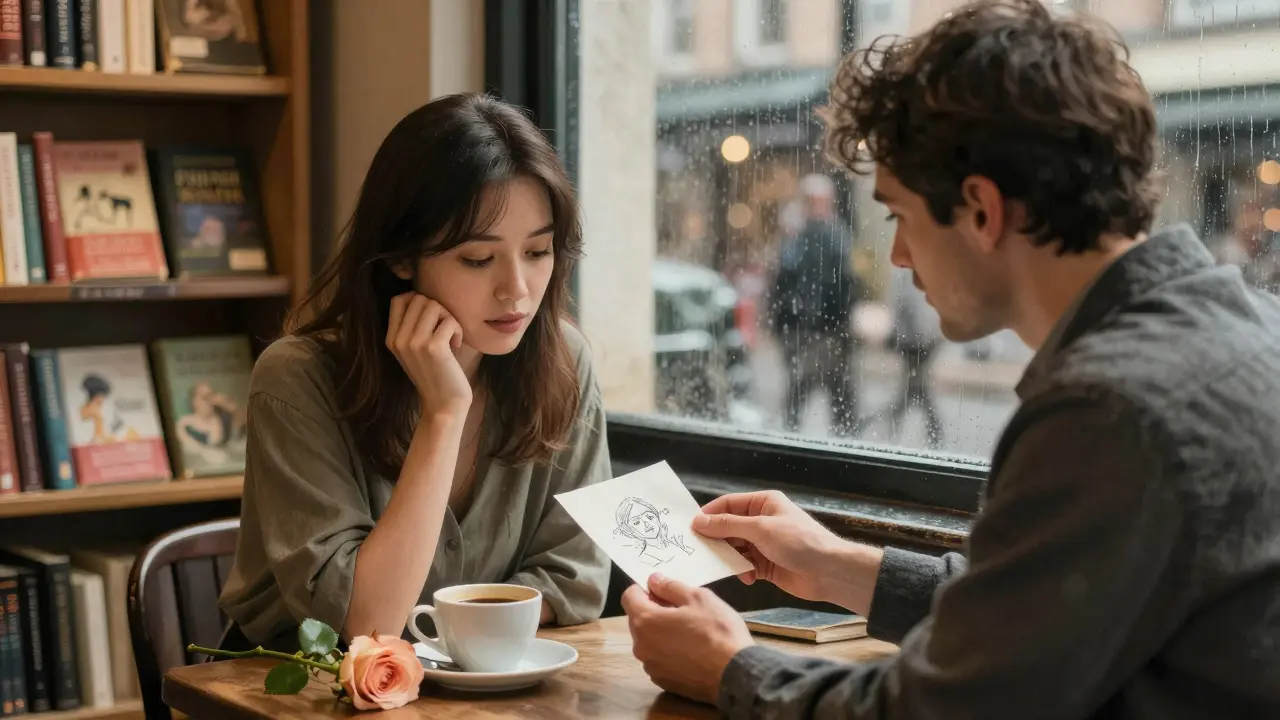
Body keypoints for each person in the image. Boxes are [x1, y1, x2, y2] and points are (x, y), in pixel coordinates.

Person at [621, 1, 1280, 717]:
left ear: (981, 209)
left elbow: (940, 709)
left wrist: (730, 666)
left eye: (900, 213)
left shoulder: (1109, 408)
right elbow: (1043, 609)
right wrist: (840, 565)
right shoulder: (1244, 324)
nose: (898, 255)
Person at [217, 93, 612, 651]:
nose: (517, 290)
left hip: (477, 681)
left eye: (538, 251)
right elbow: (365, 622)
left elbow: (575, 577)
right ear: (403, 257)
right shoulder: (297, 378)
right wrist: (444, 413)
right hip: (295, 691)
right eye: (478, 259)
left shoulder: (563, 360)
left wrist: (456, 636)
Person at [769, 173, 863, 435]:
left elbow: (841, 283)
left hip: (823, 328)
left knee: (828, 389)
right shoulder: (804, 235)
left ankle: (837, 438)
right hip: (810, 328)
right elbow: (786, 282)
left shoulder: (830, 234)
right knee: (809, 387)